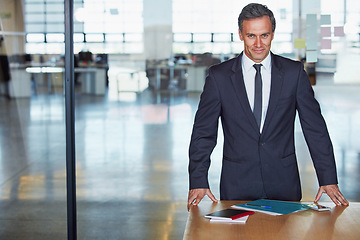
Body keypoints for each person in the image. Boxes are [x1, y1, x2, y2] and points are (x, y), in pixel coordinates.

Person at [187, 3, 349, 211]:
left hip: (284, 183)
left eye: (264, 35)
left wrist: (327, 178)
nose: (258, 44)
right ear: (240, 34)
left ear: (272, 34)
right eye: (251, 36)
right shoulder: (219, 77)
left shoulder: (294, 73)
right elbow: (203, 132)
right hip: (236, 184)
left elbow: (315, 128)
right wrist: (198, 180)